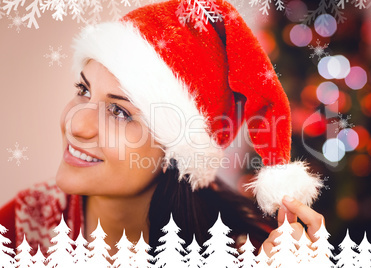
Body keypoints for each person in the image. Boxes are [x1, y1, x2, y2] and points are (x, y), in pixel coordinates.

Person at [0, 0, 325, 262]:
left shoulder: (247, 251)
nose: (76, 124)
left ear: (176, 151)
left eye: (119, 111)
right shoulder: (22, 226)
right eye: (83, 90)